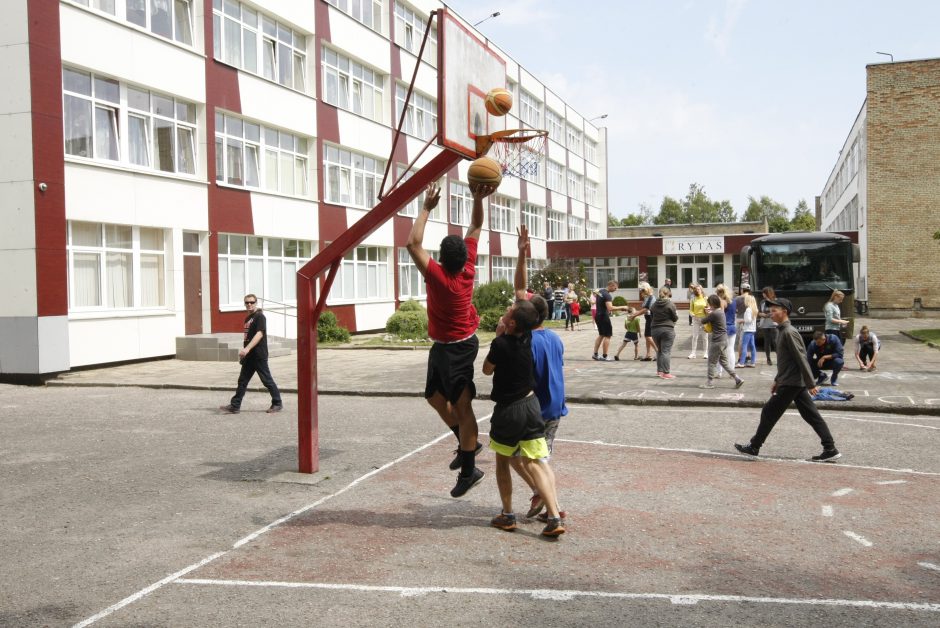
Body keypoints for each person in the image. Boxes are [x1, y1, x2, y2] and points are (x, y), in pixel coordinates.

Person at [406, 181, 496, 497]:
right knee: (433, 396)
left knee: (462, 405)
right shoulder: (467, 266)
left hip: (458, 347)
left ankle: (470, 469)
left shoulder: (440, 278)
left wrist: (427, 208)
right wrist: (476, 198)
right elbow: (476, 225)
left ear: (442, 260)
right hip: (445, 345)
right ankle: (467, 441)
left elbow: (412, 244)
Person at [483, 298, 565, 537]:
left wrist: (498, 336)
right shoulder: (530, 337)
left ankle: (508, 515)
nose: (506, 312)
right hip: (531, 406)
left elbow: (487, 370)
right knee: (535, 461)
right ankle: (554, 516)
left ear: (511, 323)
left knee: (502, 461)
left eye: (508, 312)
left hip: (508, 410)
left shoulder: (501, 344)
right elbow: (526, 319)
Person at [506, 226, 567, 525]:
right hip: (555, 408)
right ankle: (549, 504)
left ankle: (547, 500)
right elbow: (520, 291)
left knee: (519, 457)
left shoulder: (526, 343)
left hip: (535, 411)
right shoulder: (554, 338)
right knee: (539, 460)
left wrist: (521, 253)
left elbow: (519, 292)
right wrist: (521, 252)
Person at [734, 297, 842, 462]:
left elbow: (801, 358)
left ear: (784, 311)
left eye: (774, 310)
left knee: (769, 411)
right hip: (791, 382)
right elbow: (787, 361)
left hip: (791, 383)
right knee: (812, 415)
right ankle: (830, 448)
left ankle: (754, 446)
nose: (771, 314)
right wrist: (777, 379)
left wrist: (811, 383)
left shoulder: (789, 332)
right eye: (770, 311)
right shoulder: (783, 331)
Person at [220, 294, 283, 414]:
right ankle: (235, 405)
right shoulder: (248, 318)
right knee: (242, 381)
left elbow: (259, 334)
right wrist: (246, 352)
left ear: (256, 303)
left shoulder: (260, 317)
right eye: (247, 302)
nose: (249, 304)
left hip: (258, 355)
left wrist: (247, 349)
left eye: (252, 302)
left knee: (266, 380)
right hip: (249, 356)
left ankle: (277, 403)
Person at [699, 294, 744, 390]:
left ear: (712, 304)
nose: (708, 305)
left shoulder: (714, 314)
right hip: (724, 340)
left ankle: (709, 383)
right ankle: (737, 379)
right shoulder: (720, 312)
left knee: (711, 362)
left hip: (717, 341)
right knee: (724, 362)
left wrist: (706, 312)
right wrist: (710, 312)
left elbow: (703, 321)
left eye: (709, 303)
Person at [593, 280, 629, 361]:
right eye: (615, 288)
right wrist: (623, 307)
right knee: (607, 336)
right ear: (611, 285)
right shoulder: (607, 295)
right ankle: (605, 356)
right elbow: (610, 308)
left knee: (601, 334)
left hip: (597, 315)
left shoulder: (600, 291)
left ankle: (595, 354)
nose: (616, 290)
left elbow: (595, 293)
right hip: (603, 317)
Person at [650, 286, 679, 379]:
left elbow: (652, 316)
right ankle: (666, 373)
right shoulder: (670, 304)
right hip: (667, 329)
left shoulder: (654, 305)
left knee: (660, 350)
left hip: (655, 330)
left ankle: (659, 371)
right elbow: (675, 318)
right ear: (668, 293)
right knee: (666, 351)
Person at [715, 284, 737, 373]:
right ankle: (732, 370)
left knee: (719, 351)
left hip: (723, 328)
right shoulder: (733, 301)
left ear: (719, 293)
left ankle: (719, 372)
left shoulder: (722, 301)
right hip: (732, 326)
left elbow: (721, 315)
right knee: (731, 350)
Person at [631, 284, 657, 361]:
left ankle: (658, 351)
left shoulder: (650, 297)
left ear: (645, 290)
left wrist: (634, 315)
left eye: (641, 291)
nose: (640, 293)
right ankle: (648, 355)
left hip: (651, 318)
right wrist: (635, 314)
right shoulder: (647, 297)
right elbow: (644, 310)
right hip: (648, 318)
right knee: (647, 337)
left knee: (648, 336)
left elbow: (645, 309)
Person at [736, 292, 759, 368]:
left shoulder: (748, 309)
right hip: (752, 329)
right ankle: (753, 362)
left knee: (744, 345)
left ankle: (742, 362)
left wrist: (742, 320)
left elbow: (748, 320)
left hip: (747, 329)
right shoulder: (754, 309)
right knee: (752, 346)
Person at [687, 284, 709, 359]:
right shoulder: (693, 298)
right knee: (695, 336)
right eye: (696, 289)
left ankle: (705, 353)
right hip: (696, 319)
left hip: (704, 319)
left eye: (699, 289)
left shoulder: (705, 298)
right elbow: (690, 310)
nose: (697, 290)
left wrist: (707, 311)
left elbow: (709, 308)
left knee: (705, 337)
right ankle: (693, 353)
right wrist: (693, 315)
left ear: (701, 290)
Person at [758, 286, 778, 365]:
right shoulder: (762, 302)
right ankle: (768, 359)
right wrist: (762, 314)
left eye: (764, 293)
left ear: (768, 293)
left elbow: (776, 311)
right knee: (767, 342)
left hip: (774, 323)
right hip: (765, 324)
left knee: (775, 341)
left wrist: (769, 314)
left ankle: (779, 357)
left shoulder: (775, 301)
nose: (763, 295)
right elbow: (759, 312)